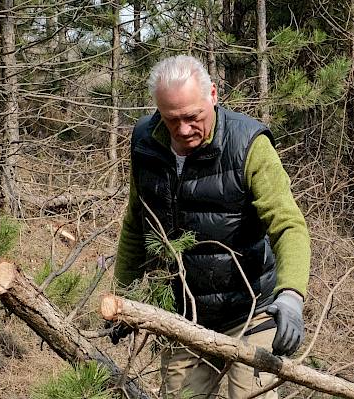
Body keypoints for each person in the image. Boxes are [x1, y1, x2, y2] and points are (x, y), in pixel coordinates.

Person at [111, 54, 311, 399]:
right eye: (171, 119)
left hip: (250, 312)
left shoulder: (248, 144)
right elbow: (136, 223)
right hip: (182, 317)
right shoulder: (145, 143)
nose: (183, 129)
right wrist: (124, 298)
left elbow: (288, 224)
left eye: (193, 117)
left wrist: (291, 295)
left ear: (213, 96)